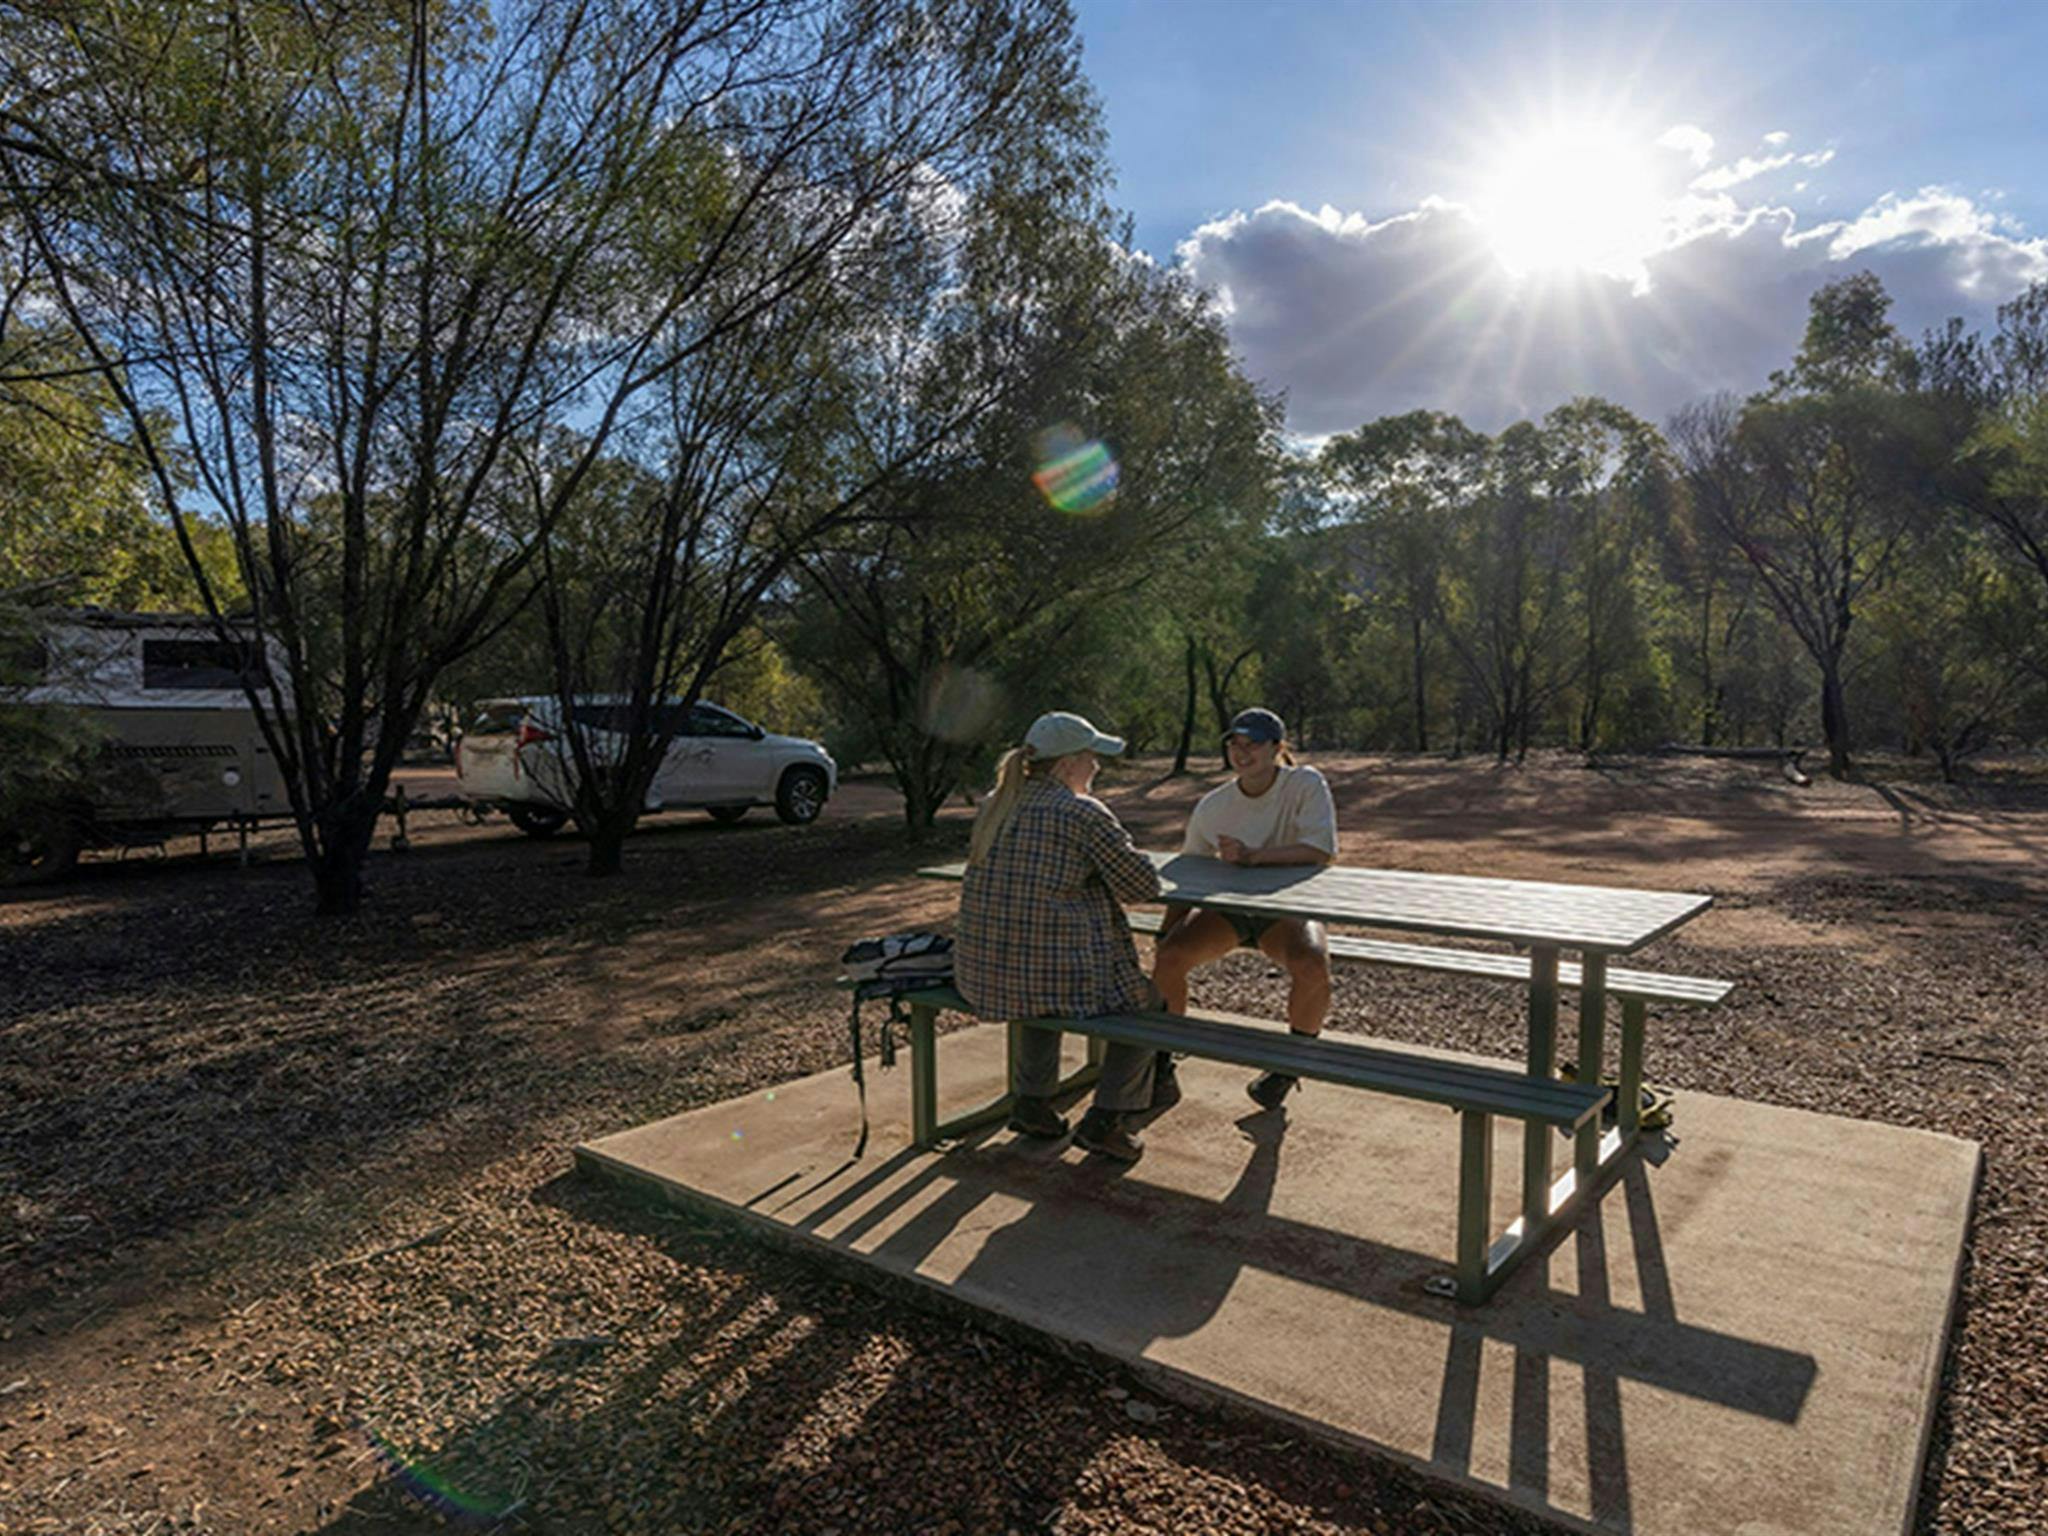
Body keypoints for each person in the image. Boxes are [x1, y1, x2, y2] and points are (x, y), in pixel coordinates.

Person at [955, 710, 1177, 1163]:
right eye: (1091, 757)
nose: (1097, 767)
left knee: (1037, 982)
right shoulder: (1081, 812)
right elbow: (1142, 887)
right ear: (1067, 764)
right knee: (1150, 1005)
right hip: (1049, 977)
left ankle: (1032, 1102)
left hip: (982, 975)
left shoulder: (995, 805)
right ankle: (1107, 1120)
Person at [1151, 707, 1337, 1109]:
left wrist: (1255, 857)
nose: (1242, 751)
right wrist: (1167, 931)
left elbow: (1320, 852)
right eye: (1235, 743)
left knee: (1312, 965)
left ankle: (1287, 1068)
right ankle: (1163, 1060)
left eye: (1252, 743)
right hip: (1230, 912)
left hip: (1288, 910)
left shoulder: (1305, 784)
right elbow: (1189, 875)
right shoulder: (1213, 805)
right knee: (1169, 957)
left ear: (1277, 747)